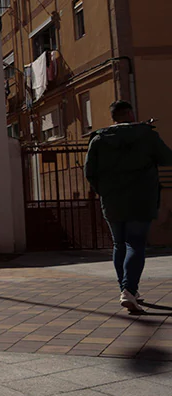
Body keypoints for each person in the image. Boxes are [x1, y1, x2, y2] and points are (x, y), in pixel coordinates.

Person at [85, 100, 172, 314]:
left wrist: (103, 191)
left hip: (112, 201)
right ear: (130, 113)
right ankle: (129, 290)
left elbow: (89, 172)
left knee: (119, 244)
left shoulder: (98, 138)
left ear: (113, 117)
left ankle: (127, 290)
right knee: (135, 244)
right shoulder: (147, 135)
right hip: (142, 199)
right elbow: (166, 158)